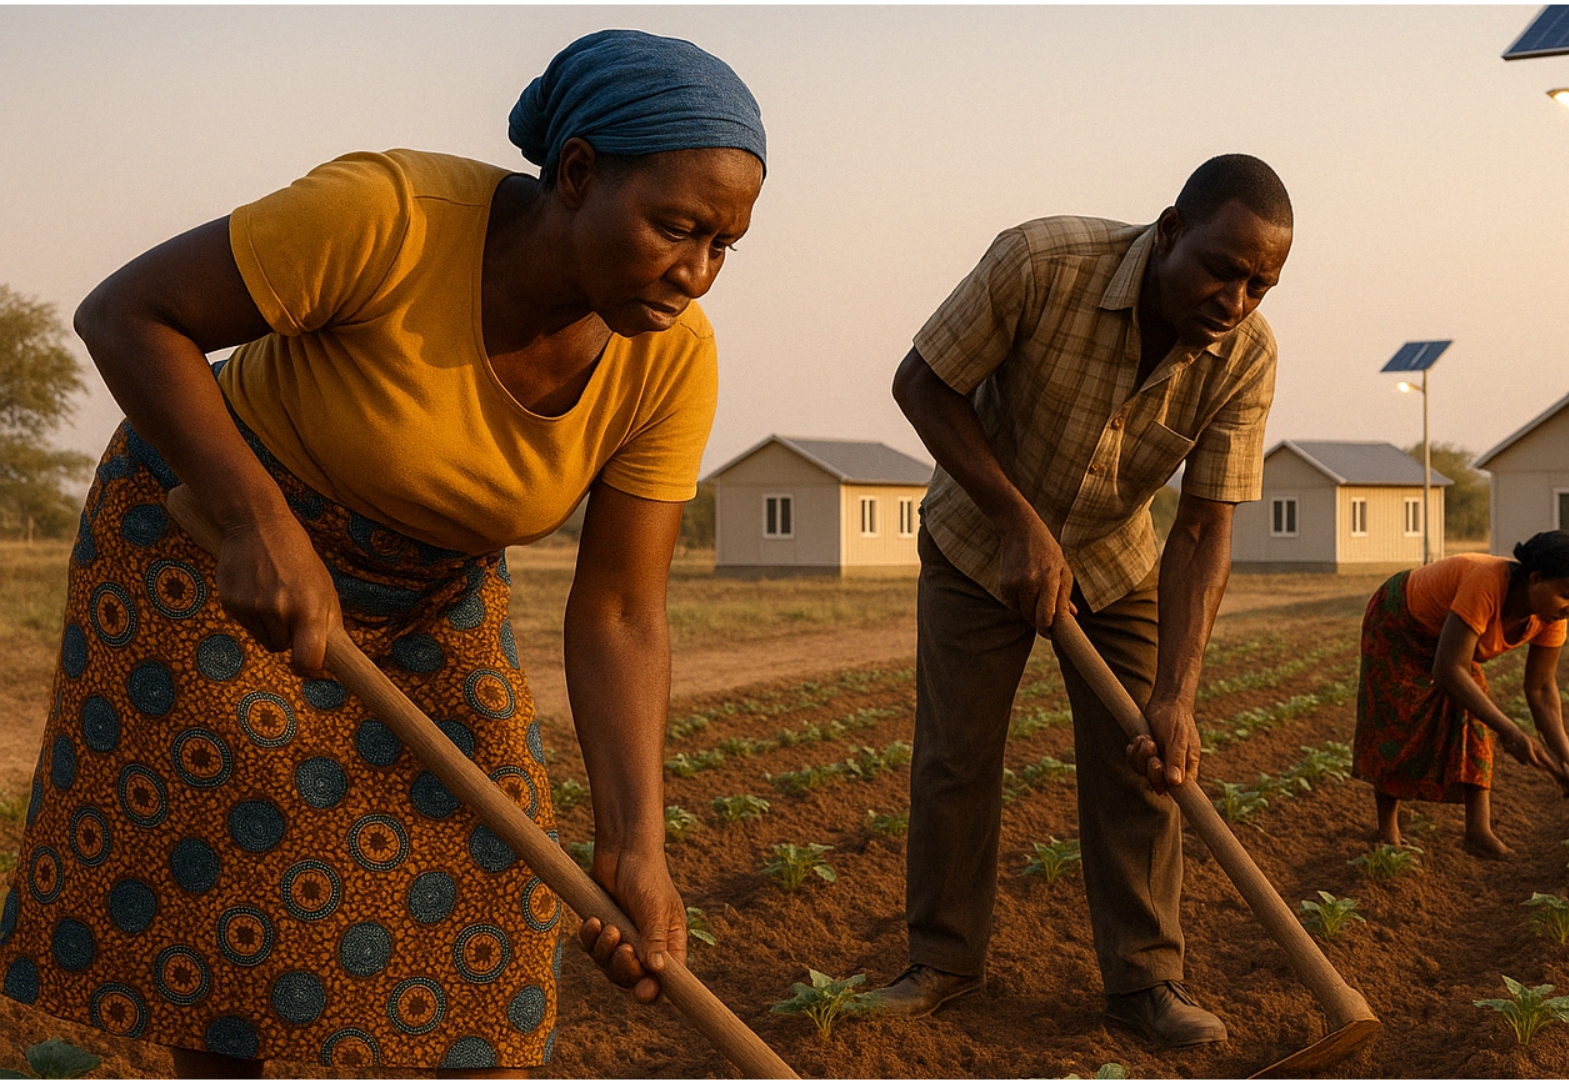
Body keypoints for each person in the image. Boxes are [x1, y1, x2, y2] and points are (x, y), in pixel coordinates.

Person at [0, 29, 764, 1078]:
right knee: (231, 877)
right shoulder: (390, 217)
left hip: (425, 589)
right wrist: (259, 525)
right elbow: (127, 314)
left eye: (725, 246)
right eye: (677, 228)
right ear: (577, 173)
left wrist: (639, 844)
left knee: (495, 865)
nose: (698, 274)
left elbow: (623, 610)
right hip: (204, 533)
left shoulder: (668, 360)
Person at [882, 155, 1294, 1048]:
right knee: (957, 756)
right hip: (978, 543)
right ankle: (942, 961)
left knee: (1144, 760)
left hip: (1117, 559)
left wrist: (1177, 695)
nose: (1238, 298)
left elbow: (1202, 531)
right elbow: (921, 383)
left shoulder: (1246, 358)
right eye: (1225, 268)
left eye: (1261, 283)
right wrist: (1015, 520)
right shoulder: (1041, 264)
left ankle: (1146, 983)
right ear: (1172, 230)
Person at [1351, 531, 1569, 859]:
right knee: (1398, 717)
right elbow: (1449, 670)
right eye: (1568, 596)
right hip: (1400, 620)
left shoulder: (1550, 617)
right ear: (1536, 578)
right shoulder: (1486, 583)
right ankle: (1387, 830)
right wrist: (1512, 732)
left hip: (1449, 644)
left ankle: (1478, 833)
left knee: (1475, 716)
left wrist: (1568, 760)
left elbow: (1541, 689)